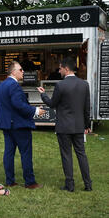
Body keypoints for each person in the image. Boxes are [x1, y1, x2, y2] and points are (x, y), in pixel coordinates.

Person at [37, 57, 92, 192]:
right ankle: (88, 184)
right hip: (79, 125)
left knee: (66, 155)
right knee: (81, 154)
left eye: (60, 68)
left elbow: (52, 104)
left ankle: (70, 185)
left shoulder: (60, 85)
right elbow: (86, 108)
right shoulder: (84, 84)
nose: (59, 70)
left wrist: (43, 95)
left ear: (66, 69)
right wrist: (87, 125)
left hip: (64, 126)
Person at [0, 61, 45, 189]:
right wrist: (35, 111)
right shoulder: (14, 85)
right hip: (19, 125)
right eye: (21, 69)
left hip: (7, 124)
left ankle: (10, 180)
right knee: (25, 153)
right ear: (13, 72)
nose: (23, 71)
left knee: (9, 153)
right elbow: (18, 104)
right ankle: (30, 182)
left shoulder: (2, 85)